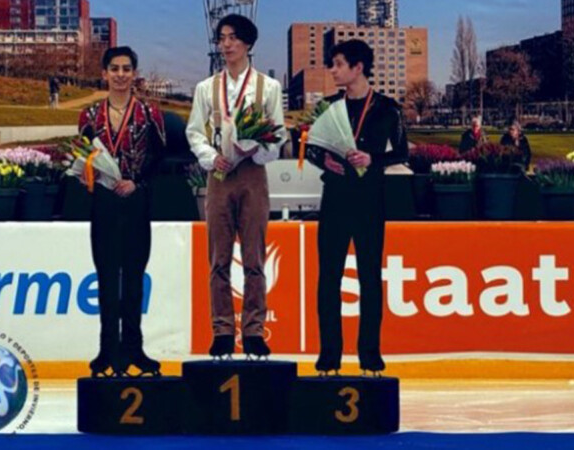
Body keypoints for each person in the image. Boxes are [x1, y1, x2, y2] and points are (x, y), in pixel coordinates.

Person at [186, 14, 287, 359]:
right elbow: (194, 132)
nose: (226, 44)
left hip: (253, 175)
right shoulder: (205, 88)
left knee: (254, 257)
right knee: (218, 257)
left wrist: (255, 150)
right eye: (222, 38)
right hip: (218, 177)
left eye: (233, 38)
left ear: (248, 43)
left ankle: (254, 331)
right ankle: (223, 331)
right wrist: (211, 156)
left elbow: (278, 135)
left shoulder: (268, 87)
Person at [305, 39, 408, 376]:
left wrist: (372, 159)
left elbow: (402, 153)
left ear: (358, 67)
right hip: (335, 198)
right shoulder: (329, 106)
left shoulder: (388, 108)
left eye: (338, 64)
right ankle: (328, 357)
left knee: (369, 278)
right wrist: (324, 161)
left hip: (369, 199)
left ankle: (370, 356)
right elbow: (311, 147)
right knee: (328, 279)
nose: (332, 71)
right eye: (331, 64)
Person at [78, 46, 166, 377]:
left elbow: (160, 158)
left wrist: (137, 182)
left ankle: (134, 349)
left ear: (134, 74)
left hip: (136, 201)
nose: (120, 74)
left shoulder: (150, 114)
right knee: (105, 277)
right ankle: (107, 350)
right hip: (103, 202)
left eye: (126, 68)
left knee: (132, 278)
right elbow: (83, 156)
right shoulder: (89, 116)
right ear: (104, 73)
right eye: (114, 68)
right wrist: (89, 176)